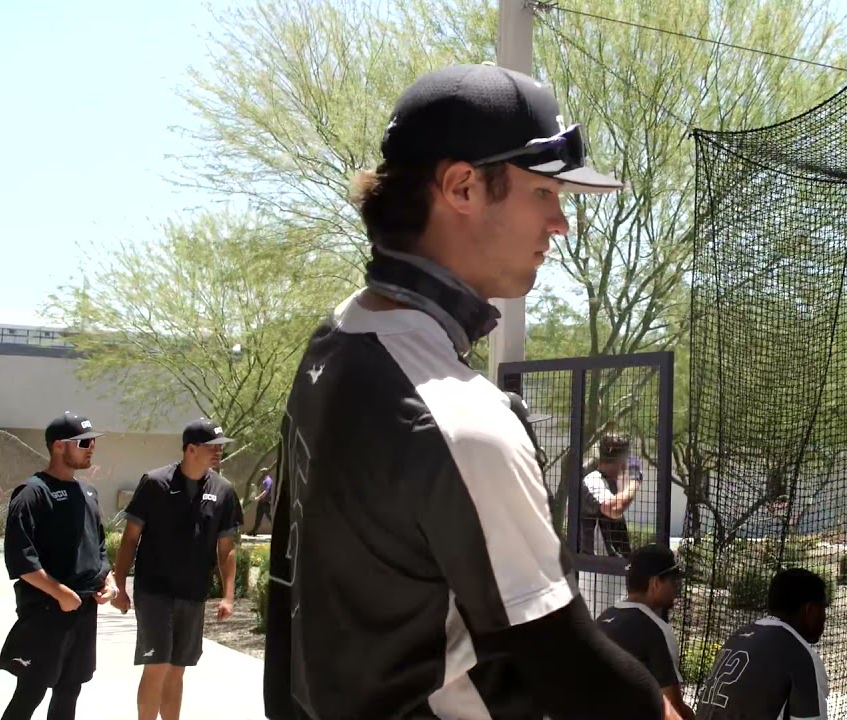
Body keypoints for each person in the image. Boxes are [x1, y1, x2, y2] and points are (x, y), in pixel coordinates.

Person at [262, 63, 679, 720]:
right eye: (543, 192)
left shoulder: (337, 338)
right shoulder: (460, 420)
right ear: (462, 187)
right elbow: (577, 676)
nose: (561, 222)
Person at [110, 418, 243, 720]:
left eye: (220, 447)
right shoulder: (155, 483)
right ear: (191, 449)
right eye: (212, 447)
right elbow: (130, 539)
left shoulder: (223, 491)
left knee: (177, 670)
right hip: (154, 591)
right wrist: (119, 586)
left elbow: (226, 549)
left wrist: (228, 596)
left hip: (193, 593)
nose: (218, 452)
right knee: (156, 665)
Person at [0, 413, 113, 720]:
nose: (92, 447)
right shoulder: (32, 493)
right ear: (59, 446)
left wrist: (109, 581)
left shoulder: (88, 493)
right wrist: (60, 593)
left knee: (69, 691)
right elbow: (21, 558)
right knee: (30, 692)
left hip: (84, 611)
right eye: (84, 443)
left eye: (93, 442)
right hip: (46, 612)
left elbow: (99, 548)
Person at [694, 567, 830, 720]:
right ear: (809, 609)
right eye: (823, 608)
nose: (824, 617)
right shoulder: (802, 656)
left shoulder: (737, 637)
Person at [596, 545, 695, 719]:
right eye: (672, 580)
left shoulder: (602, 619)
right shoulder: (655, 628)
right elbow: (672, 711)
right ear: (655, 583)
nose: (676, 587)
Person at [580, 432, 641, 556]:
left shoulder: (612, 483)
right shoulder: (594, 480)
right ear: (621, 459)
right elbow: (613, 508)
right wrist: (635, 481)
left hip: (611, 563)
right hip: (595, 565)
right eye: (628, 456)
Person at [246, 469, 273, 536]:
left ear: (264, 473)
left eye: (261, 473)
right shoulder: (265, 480)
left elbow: (266, 491)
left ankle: (279, 529)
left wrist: (258, 497)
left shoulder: (268, 480)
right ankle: (254, 531)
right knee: (258, 517)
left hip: (265, 502)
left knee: (270, 517)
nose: (260, 474)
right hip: (262, 502)